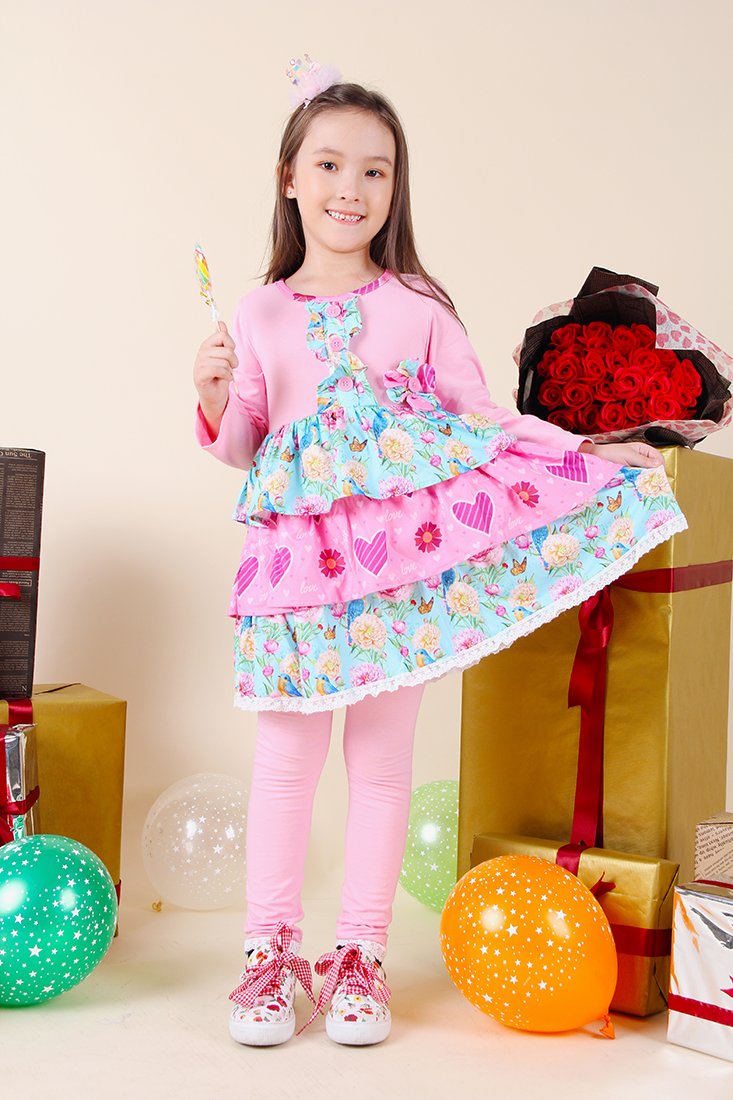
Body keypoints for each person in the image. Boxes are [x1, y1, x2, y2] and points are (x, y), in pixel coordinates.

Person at [192, 56, 687, 1049]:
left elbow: (483, 423)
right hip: (296, 573)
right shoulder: (256, 311)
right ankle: (268, 955)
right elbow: (248, 445)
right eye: (328, 164)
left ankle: (360, 954)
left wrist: (589, 454)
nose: (350, 188)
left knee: (381, 763)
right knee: (286, 759)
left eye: (373, 170)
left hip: (399, 570)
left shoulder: (417, 304)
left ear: (394, 188)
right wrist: (212, 393)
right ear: (289, 178)